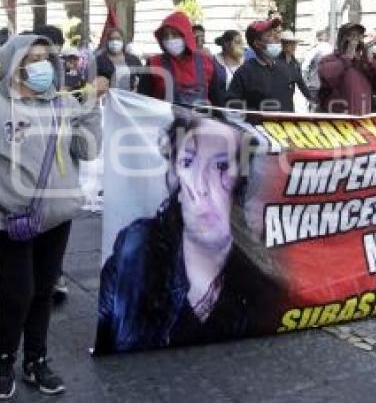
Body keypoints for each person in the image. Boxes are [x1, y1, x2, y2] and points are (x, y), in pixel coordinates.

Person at [0, 34, 102, 399]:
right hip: (8, 221)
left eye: (46, 58)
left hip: (56, 219)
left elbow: (88, 149)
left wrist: (90, 104)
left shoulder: (61, 104)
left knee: (43, 292)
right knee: (18, 294)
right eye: (32, 58)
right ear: (14, 63)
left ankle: (36, 360)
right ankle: (3, 359)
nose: (41, 65)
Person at [95, 113, 285, 353]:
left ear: (242, 182)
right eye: (188, 163)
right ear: (175, 177)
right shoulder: (137, 251)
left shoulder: (262, 279)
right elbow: (104, 328)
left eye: (221, 166)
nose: (201, 186)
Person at [138, 11, 224, 106]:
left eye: (175, 34)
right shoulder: (153, 63)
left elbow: (218, 101)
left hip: (202, 119)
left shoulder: (208, 62)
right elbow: (142, 101)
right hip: (165, 119)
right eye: (166, 36)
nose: (170, 39)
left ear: (186, 35)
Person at [317, 23, 376, 115]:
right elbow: (328, 77)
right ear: (343, 39)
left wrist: (371, 61)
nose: (355, 40)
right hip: (338, 121)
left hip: (361, 121)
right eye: (352, 36)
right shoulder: (330, 60)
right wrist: (348, 56)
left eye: (358, 36)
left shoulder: (365, 64)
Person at [225, 17, 295, 112]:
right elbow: (232, 105)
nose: (277, 38)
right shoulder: (245, 73)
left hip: (285, 125)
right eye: (269, 35)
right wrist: (258, 115)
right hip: (257, 125)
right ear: (257, 43)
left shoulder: (284, 68)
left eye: (276, 33)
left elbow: (288, 102)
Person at [95, 27, 142, 92]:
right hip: (107, 98)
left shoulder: (133, 59)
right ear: (107, 41)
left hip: (129, 97)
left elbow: (143, 79)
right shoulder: (99, 60)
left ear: (122, 40)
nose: (114, 42)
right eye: (111, 39)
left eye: (117, 39)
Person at [278, 31, 313, 109]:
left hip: (288, 102)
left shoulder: (295, 63)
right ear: (283, 44)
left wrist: (310, 98)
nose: (293, 46)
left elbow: (301, 83)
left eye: (294, 43)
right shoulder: (275, 61)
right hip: (276, 102)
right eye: (289, 43)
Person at [302, 29, 333, 109]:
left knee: (313, 109)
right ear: (327, 37)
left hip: (314, 84)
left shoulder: (315, 48)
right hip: (328, 85)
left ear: (318, 37)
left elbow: (304, 67)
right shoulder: (332, 49)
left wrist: (306, 81)